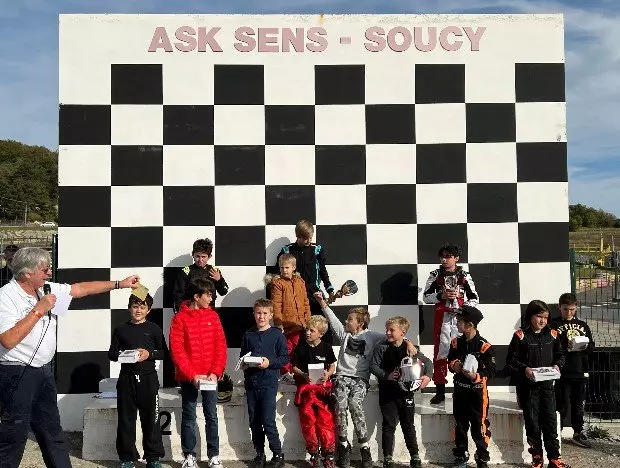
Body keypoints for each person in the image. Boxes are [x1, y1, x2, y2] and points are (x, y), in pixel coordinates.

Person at [0, 247, 139, 468]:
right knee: (14, 436)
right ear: (27, 273)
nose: (49, 273)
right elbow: (8, 339)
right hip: (16, 371)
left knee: (53, 432)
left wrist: (119, 284)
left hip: (43, 370)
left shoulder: (45, 288)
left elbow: (80, 289)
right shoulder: (6, 296)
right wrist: (38, 310)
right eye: (44, 269)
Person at [314, 292, 416, 468]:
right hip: (342, 377)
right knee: (340, 405)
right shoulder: (344, 334)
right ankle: (343, 445)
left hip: (360, 379)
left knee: (355, 404)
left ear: (360, 323)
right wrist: (321, 302)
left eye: (350, 319)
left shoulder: (372, 336)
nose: (346, 321)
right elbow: (332, 318)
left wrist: (408, 342)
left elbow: (394, 336)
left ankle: (364, 447)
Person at [169, 277, 227, 468]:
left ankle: (214, 455)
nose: (211, 298)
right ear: (196, 296)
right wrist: (192, 375)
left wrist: (215, 372)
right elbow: (177, 351)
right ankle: (189, 456)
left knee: (211, 415)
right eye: (208, 295)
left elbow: (221, 347)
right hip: (189, 378)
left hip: (210, 377)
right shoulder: (179, 319)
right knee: (189, 415)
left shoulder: (213, 317)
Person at [506, 300, 568, 468]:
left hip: (547, 386)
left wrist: (558, 365)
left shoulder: (553, 334)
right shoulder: (520, 336)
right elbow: (511, 361)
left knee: (550, 422)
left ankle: (554, 458)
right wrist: (525, 369)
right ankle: (537, 457)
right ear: (530, 316)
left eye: (546, 317)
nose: (543, 320)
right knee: (533, 423)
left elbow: (561, 355)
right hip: (528, 388)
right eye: (539, 316)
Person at [108, 292, 167, 468]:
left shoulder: (154, 329)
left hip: (149, 379)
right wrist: (124, 355)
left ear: (148, 310)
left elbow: (165, 353)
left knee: (151, 419)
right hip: (126, 379)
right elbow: (111, 354)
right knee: (126, 420)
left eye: (142, 307)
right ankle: (127, 458)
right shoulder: (120, 329)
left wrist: (149, 354)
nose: (138, 310)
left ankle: (153, 458)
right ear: (129, 308)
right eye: (135, 307)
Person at [370, 316, 432, 468]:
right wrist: (387, 375)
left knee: (408, 425)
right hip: (387, 393)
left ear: (402, 333)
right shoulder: (381, 347)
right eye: (387, 330)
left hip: (406, 394)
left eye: (391, 330)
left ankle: (415, 456)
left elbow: (428, 362)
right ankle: (388, 458)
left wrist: (427, 376)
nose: (387, 333)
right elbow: (373, 366)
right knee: (388, 425)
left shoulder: (410, 348)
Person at [422, 243, 479, 404]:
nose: (444, 260)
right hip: (442, 319)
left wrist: (464, 309)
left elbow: (474, 298)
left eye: (448, 256)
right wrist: (441, 296)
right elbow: (425, 297)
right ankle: (440, 392)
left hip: (460, 320)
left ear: (456, 258)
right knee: (441, 354)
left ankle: (462, 388)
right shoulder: (435, 275)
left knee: (463, 353)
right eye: (442, 257)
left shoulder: (464, 275)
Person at [240, 299, 289, 468]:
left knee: (268, 420)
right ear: (253, 314)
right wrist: (244, 364)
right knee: (254, 421)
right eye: (258, 313)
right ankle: (259, 454)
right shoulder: (248, 335)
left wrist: (270, 363)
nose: (261, 316)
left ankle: (278, 454)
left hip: (269, 383)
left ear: (271, 315)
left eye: (264, 313)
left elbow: (284, 358)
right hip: (251, 384)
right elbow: (243, 356)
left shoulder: (277, 335)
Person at [447, 306, 497, 468]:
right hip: (460, 391)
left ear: (470, 325)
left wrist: (475, 376)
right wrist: (454, 365)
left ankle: (482, 456)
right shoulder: (455, 343)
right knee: (460, 425)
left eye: (459, 321)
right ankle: (461, 455)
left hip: (478, 393)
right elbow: (450, 361)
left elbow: (492, 371)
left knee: (479, 426)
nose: (456, 323)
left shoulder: (484, 346)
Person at [274, 220, 336, 344]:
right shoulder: (287, 250)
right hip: (295, 297)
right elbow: (277, 274)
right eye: (305, 238)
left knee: (322, 327)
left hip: (314, 295)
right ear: (298, 236)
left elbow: (323, 271)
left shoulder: (317, 249)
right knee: (300, 331)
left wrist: (330, 289)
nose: (309, 241)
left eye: (310, 237)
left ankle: (325, 353)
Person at [291, 315, 337, 468]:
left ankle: (328, 454)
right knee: (308, 422)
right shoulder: (301, 347)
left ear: (321, 334)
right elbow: (293, 366)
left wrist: (328, 374)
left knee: (326, 421)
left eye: (312, 330)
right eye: (307, 330)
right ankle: (313, 454)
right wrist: (303, 374)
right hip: (306, 391)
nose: (308, 333)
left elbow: (332, 365)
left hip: (323, 391)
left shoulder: (326, 347)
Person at [551, 293, 595, 448]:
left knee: (578, 404)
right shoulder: (553, 324)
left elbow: (591, 347)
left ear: (576, 307)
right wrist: (565, 346)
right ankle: (557, 432)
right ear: (559, 308)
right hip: (562, 371)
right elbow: (550, 346)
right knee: (561, 403)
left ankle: (578, 432)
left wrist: (584, 346)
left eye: (571, 309)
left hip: (579, 370)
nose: (569, 312)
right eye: (565, 309)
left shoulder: (583, 325)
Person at [268, 253, 311, 383]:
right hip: (286, 325)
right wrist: (278, 322)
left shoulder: (300, 282)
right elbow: (276, 305)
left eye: (287, 267)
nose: (284, 270)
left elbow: (306, 302)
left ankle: (295, 372)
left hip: (300, 324)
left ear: (294, 268)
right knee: (286, 349)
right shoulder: (278, 283)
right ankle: (284, 372)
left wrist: (308, 320)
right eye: (282, 268)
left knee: (298, 349)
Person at [172, 238, 228, 312]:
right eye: (197, 256)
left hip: (209, 311)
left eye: (203, 257)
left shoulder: (214, 271)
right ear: (193, 255)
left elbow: (223, 292)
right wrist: (182, 311)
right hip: (191, 312)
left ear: (209, 256)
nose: (200, 260)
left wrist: (219, 280)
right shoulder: (186, 272)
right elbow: (178, 295)